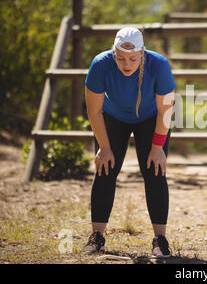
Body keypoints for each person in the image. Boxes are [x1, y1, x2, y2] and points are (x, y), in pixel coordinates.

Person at [81, 27, 176, 258]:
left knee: (155, 171)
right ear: (114, 53)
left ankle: (160, 240)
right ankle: (97, 237)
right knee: (105, 169)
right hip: (114, 118)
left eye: (133, 59)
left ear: (142, 54)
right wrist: (104, 147)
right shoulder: (100, 64)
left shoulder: (159, 64)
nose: (126, 64)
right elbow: (94, 112)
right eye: (121, 58)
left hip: (152, 118)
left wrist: (157, 148)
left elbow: (166, 109)